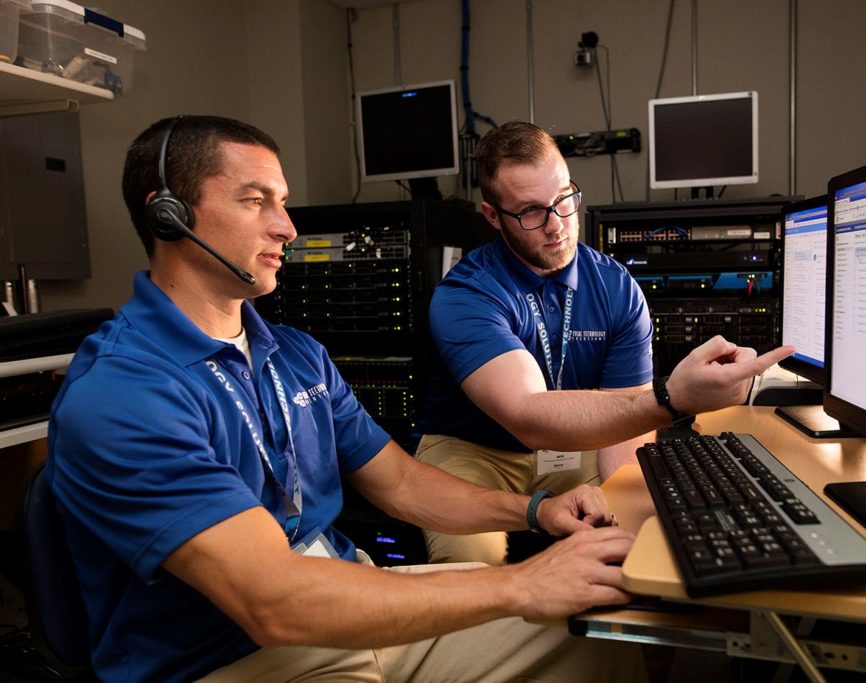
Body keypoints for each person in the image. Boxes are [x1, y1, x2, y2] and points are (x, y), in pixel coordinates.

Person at [46, 115, 650, 683]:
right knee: (542, 599)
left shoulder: (294, 353)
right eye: (256, 201)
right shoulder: (124, 392)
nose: (286, 226)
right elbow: (273, 601)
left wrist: (534, 513)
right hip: (236, 657)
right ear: (169, 216)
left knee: (605, 629)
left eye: (282, 202)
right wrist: (523, 584)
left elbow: (403, 485)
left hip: (347, 598)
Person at [415, 120, 794, 565]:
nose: (556, 225)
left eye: (563, 199)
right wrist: (672, 397)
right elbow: (528, 417)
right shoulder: (466, 295)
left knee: (642, 535)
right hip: (474, 452)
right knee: (471, 572)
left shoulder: (616, 288)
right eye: (531, 211)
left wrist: (624, 527)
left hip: (574, 449)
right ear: (493, 217)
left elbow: (625, 427)